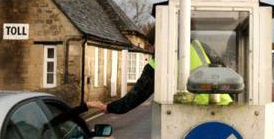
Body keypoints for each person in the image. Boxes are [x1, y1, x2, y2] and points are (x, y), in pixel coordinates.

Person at [88, 29, 232, 114]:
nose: (152, 49)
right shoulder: (199, 46)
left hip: (194, 114)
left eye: (152, 45)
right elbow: (223, 70)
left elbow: (137, 95)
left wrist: (108, 107)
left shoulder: (159, 60)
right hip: (224, 107)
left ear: (159, 41)